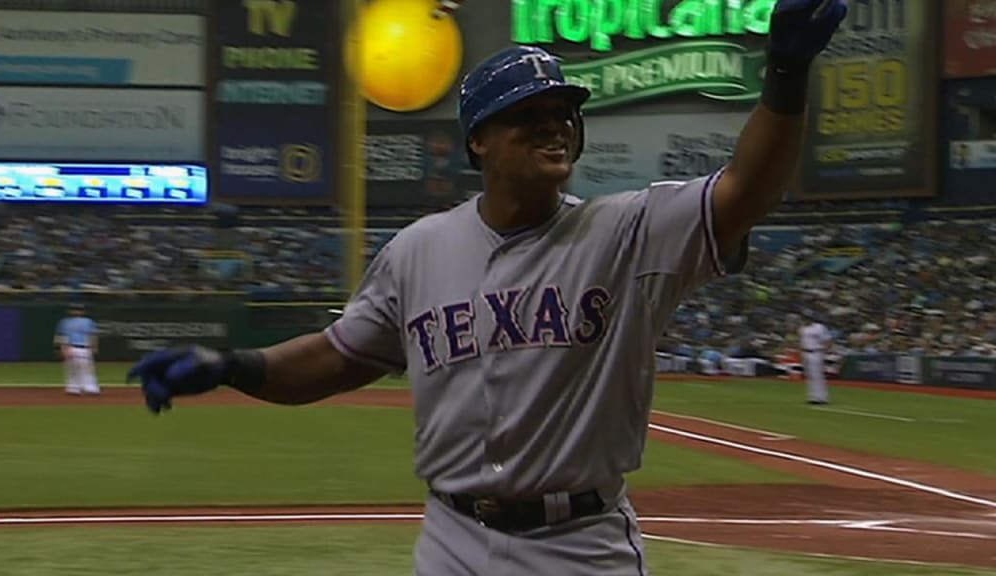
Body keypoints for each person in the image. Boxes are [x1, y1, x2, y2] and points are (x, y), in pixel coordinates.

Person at [127, 2, 847, 573]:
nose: (555, 128)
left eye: (564, 114)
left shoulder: (631, 232)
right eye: (528, 117)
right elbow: (338, 357)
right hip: (453, 540)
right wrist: (232, 368)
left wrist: (784, 74)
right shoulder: (419, 250)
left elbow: (748, 190)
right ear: (479, 139)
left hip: (581, 545)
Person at [54, 303, 99, 395]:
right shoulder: (88, 321)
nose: (76, 311)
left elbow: (61, 336)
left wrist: (62, 348)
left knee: (72, 370)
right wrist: (94, 347)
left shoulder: (65, 322)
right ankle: (89, 388)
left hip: (71, 347)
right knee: (86, 369)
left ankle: (73, 388)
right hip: (83, 348)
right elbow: (92, 335)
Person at [799, 311, 832, 404]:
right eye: (804, 317)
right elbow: (802, 341)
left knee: (817, 375)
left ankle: (822, 398)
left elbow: (827, 340)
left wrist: (825, 351)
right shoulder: (803, 328)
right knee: (809, 375)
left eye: (807, 317)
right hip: (805, 352)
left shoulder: (819, 327)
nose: (805, 319)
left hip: (816, 352)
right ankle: (813, 397)